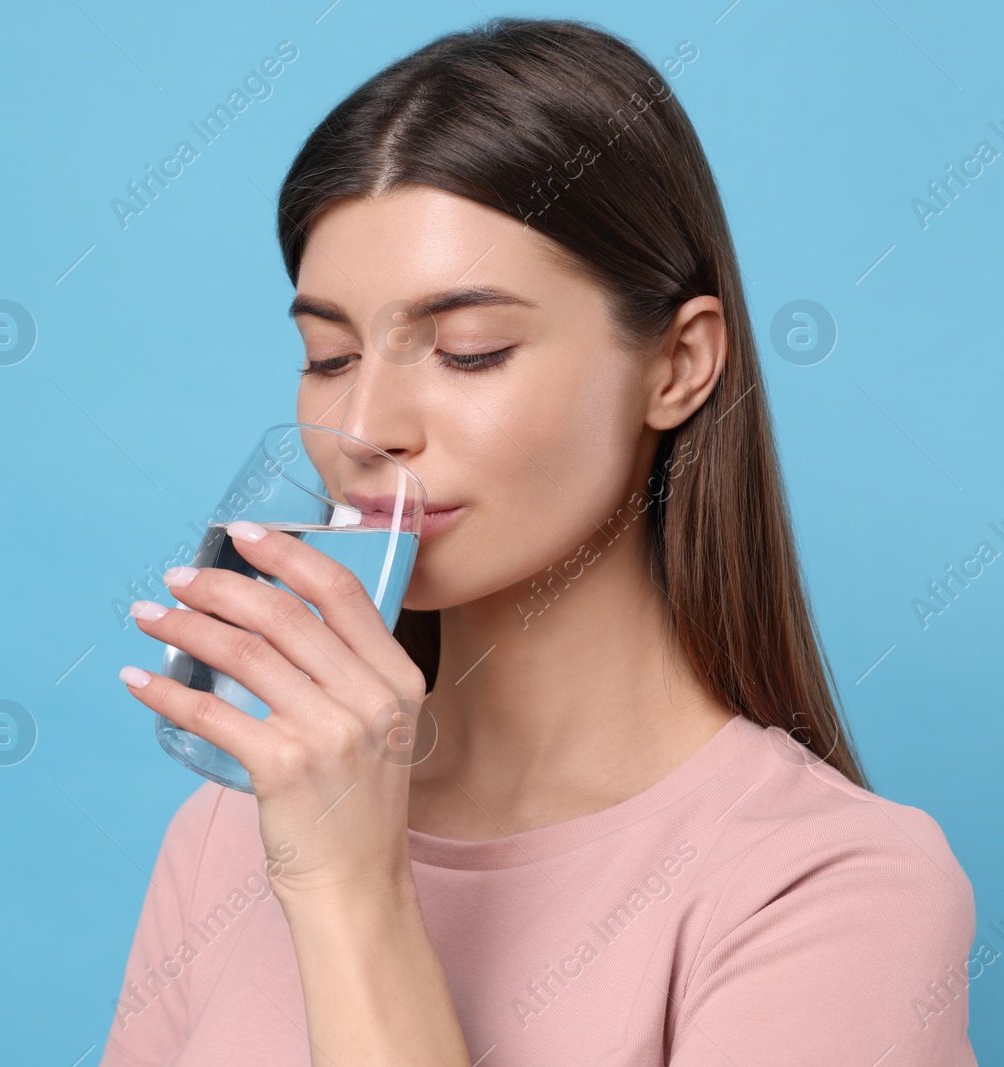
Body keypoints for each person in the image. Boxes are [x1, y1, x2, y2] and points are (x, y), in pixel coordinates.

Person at [102, 16, 978, 1066]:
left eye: (470, 351)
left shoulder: (830, 887)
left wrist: (352, 892)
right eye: (329, 356)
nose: (370, 423)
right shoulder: (226, 832)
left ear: (677, 365)